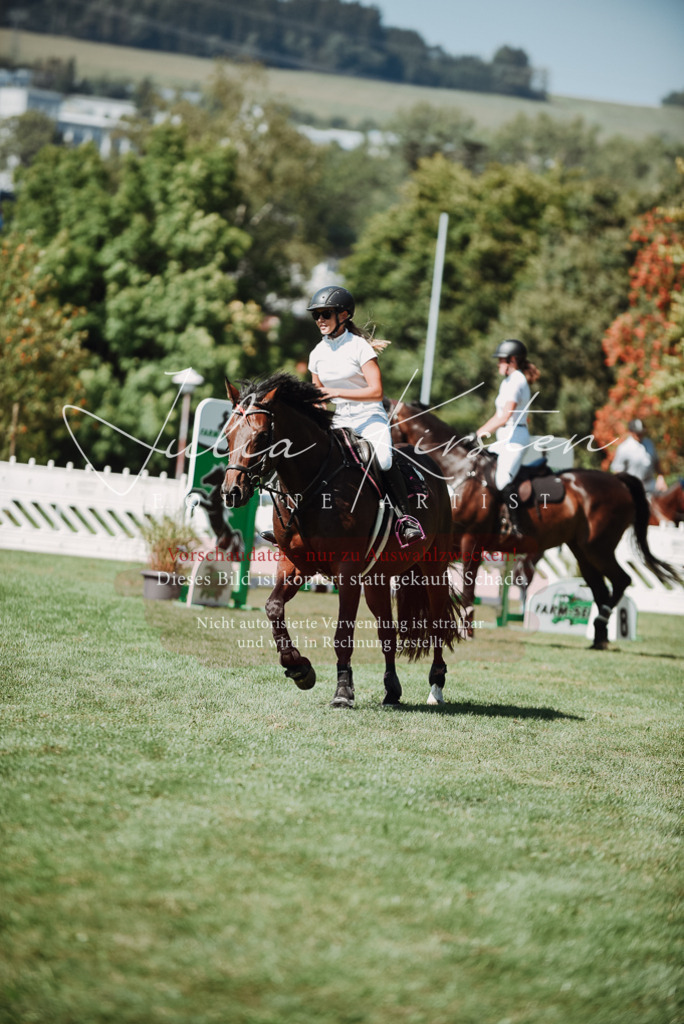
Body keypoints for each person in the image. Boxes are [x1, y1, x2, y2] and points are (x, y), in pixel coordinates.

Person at [307, 285, 424, 547]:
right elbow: (318, 397)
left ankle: (405, 519)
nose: (320, 320)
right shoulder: (316, 354)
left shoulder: (359, 347)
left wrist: (335, 392)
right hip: (340, 420)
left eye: (325, 314)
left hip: (369, 416)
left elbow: (376, 392)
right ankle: (299, 519)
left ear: (343, 315)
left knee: (383, 460)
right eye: (316, 315)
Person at [475, 338, 540, 538]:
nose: (498, 363)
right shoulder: (508, 381)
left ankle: (516, 527)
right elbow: (499, 416)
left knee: (502, 480)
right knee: (481, 468)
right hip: (504, 437)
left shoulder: (517, 381)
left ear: (512, 360)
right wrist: (480, 432)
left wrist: (478, 433)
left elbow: (504, 417)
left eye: (501, 360)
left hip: (515, 438)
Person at [611, 419, 666, 494]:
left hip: (650, 485)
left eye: (641, 432)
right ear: (631, 432)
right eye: (637, 432)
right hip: (633, 488)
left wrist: (660, 477)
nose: (640, 435)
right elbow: (618, 470)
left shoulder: (649, 443)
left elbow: (656, 462)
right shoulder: (624, 448)